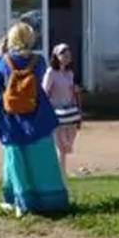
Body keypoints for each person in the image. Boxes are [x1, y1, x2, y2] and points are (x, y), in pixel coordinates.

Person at [0, 23, 70, 217]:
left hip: (11, 119)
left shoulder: (4, 62)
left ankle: (20, 202)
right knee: (42, 160)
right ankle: (49, 201)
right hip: (37, 117)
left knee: (15, 159)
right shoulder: (39, 62)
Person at [43, 43, 81, 178]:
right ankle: (61, 173)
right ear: (56, 56)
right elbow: (45, 92)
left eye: (68, 54)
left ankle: (61, 171)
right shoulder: (51, 73)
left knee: (67, 143)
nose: (66, 57)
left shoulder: (70, 74)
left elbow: (71, 93)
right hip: (56, 113)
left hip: (70, 112)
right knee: (60, 145)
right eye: (63, 54)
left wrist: (77, 108)